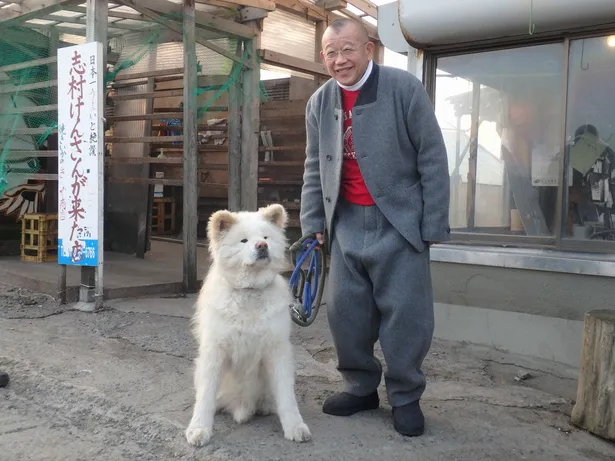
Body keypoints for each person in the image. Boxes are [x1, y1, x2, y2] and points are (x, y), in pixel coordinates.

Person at [299, 17, 450, 437]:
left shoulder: (402, 89)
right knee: (347, 315)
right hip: (345, 222)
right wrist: (314, 223)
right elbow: (314, 168)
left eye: (347, 49)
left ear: (369, 49)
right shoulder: (319, 102)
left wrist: (433, 220)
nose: (339, 60)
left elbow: (433, 157)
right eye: (330, 52)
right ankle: (361, 388)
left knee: (406, 315)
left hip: (400, 223)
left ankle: (405, 396)